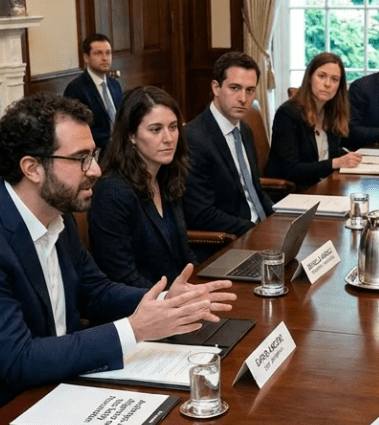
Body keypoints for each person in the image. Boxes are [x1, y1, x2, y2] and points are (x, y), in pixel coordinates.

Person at [0, 93, 235, 425]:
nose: (95, 169)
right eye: (81, 159)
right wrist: (136, 328)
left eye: (92, 156)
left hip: (55, 391)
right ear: (32, 168)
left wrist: (163, 303)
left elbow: (94, 291)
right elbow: (17, 360)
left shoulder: (54, 214)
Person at [88, 86, 198, 286]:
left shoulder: (167, 175)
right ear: (131, 135)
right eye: (156, 129)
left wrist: (200, 287)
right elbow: (121, 277)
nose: (168, 138)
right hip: (141, 307)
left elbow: (183, 253)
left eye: (173, 127)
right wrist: (171, 300)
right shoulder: (111, 191)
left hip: (176, 300)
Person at [183, 52, 274, 258]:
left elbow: (254, 190)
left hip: (257, 234)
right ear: (216, 88)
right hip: (226, 244)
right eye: (235, 88)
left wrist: (277, 218)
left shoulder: (244, 129)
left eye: (250, 90)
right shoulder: (195, 138)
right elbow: (201, 214)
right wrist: (255, 229)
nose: (243, 98)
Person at [266, 52, 363, 191]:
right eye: (321, 76)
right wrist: (336, 163)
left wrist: (352, 158)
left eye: (335, 79)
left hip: (323, 186)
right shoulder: (287, 113)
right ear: (310, 77)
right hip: (294, 192)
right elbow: (291, 169)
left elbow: (327, 152)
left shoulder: (330, 112)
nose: (327, 84)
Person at [63, 34, 122, 150]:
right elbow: (76, 131)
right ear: (86, 58)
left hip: (121, 147)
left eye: (108, 53)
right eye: (98, 53)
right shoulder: (76, 89)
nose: (105, 58)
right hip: (97, 151)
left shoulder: (115, 85)